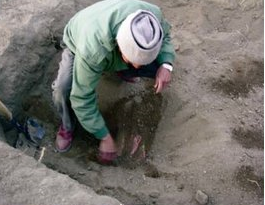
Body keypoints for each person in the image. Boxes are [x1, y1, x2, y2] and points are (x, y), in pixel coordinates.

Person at [52, 0, 176, 164]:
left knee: (156, 67)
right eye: (131, 61)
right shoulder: (93, 51)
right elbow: (81, 99)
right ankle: (67, 126)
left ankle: (124, 68)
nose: (137, 66)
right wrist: (104, 136)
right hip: (79, 39)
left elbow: (165, 35)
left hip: (111, 39)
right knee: (62, 89)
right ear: (119, 46)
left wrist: (167, 64)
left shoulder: (151, 17)